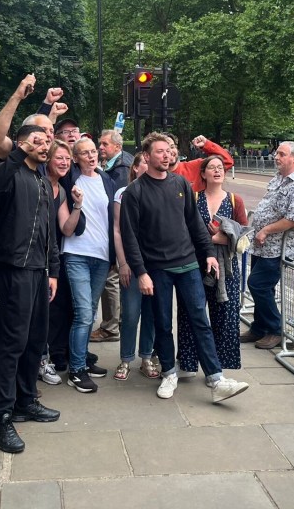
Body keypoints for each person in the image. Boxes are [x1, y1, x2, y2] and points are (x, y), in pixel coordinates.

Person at [119, 132, 249, 404]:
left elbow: (194, 223)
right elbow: (130, 237)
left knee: (199, 319)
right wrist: (141, 272)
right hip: (157, 269)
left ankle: (216, 379)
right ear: (147, 156)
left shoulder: (180, 183)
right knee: (163, 323)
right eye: (160, 151)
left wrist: (208, 255)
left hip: (188, 264)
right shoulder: (135, 192)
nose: (167, 155)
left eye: (169, 151)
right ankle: (168, 373)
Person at [0, 124, 62, 454]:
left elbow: (49, 232)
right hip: (10, 270)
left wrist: (53, 271)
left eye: (48, 140)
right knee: (11, 342)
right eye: (37, 140)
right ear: (19, 145)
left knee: (35, 339)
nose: (44, 144)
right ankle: (2, 417)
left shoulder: (43, 182)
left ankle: (25, 401)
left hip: (37, 272)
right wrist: (20, 145)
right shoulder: (9, 174)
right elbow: (0, 162)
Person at [177, 155, 248, 379]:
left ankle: (216, 368)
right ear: (203, 173)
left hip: (226, 270)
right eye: (212, 167)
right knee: (190, 315)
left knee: (224, 317)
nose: (217, 171)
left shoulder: (235, 200)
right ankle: (187, 364)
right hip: (194, 264)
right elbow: (182, 228)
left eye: (220, 167)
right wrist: (208, 241)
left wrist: (221, 240)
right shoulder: (194, 196)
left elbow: (245, 237)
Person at [241, 141, 294, 350]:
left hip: (279, 247)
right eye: (277, 153)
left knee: (258, 284)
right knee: (264, 288)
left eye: (282, 154)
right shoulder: (280, 178)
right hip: (263, 246)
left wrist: (265, 230)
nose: (276, 157)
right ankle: (259, 327)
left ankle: (276, 330)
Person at [58, 137, 116, 393]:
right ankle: (77, 370)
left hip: (101, 256)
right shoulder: (70, 180)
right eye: (84, 153)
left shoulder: (107, 181)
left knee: (90, 313)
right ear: (76, 158)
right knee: (83, 314)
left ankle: (81, 359)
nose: (91, 156)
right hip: (77, 253)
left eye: (93, 151)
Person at [113, 152, 161, 381]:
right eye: (144, 162)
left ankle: (146, 357)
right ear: (136, 167)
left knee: (151, 313)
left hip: (156, 263)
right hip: (132, 264)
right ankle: (125, 358)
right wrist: (122, 262)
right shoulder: (124, 194)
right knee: (131, 313)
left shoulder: (161, 190)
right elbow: (118, 230)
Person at [90, 129, 133, 343]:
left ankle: (110, 327)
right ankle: (113, 324)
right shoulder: (117, 164)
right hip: (112, 230)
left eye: (104, 144)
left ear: (117, 146)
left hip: (116, 231)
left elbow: (115, 200)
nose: (100, 147)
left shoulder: (121, 168)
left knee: (111, 278)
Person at [41, 139, 75, 387]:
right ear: (48, 160)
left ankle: (44, 359)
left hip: (51, 256)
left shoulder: (61, 190)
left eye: (67, 158)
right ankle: (38, 362)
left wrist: (79, 206)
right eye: (59, 158)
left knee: (48, 313)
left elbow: (66, 228)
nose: (64, 163)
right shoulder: (38, 184)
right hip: (32, 257)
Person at [166, 133, 234, 191]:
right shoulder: (155, 178)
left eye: (172, 147)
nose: (170, 151)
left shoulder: (195, 167)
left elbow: (226, 161)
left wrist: (207, 145)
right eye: (163, 149)